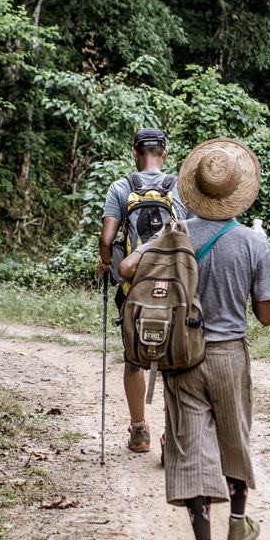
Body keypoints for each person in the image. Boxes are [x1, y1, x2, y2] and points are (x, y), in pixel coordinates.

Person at [118, 138, 270, 540]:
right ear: (238, 192)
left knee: (190, 449)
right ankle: (239, 525)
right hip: (230, 356)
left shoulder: (175, 234)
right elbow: (265, 317)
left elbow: (127, 269)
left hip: (184, 358)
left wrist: (164, 250)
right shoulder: (252, 242)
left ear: (193, 189)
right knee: (234, 439)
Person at [96, 128, 190, 455]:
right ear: (164, 152)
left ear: (135, 152)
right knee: (176, 358)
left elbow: (107, 240)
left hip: (133, 286)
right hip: (175, 286)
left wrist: (107, 263)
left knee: (134, 356)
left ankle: (139, 431)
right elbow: (192, 237)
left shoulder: (121, 188)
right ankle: (171, 435)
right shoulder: (180, 187)